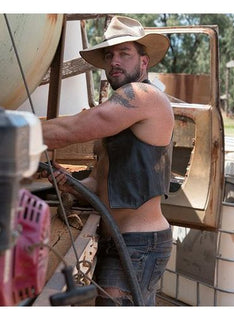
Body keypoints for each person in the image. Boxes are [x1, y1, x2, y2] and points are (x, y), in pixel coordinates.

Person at [41, 15, 174, 306]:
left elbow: (73, 129)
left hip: (138, 244)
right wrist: (71, 184)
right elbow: (101, 182)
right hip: (124, 240)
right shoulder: (122, 110)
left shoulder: (143, 96)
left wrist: (11, 130)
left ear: (143, 62)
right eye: (110, 55)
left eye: (125, 53)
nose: (114, 60)